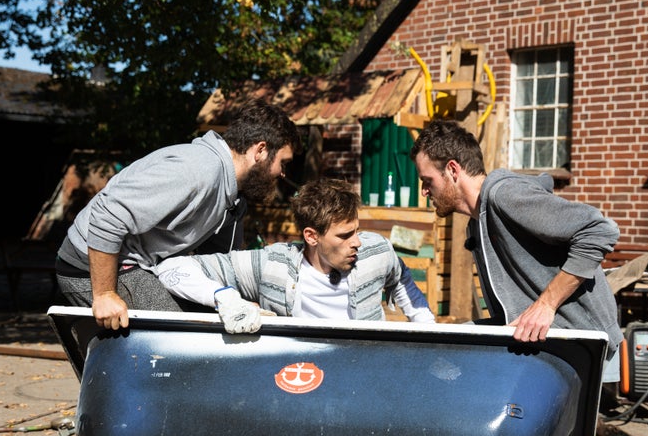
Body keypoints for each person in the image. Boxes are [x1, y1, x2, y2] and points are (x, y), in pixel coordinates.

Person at [55, 100, 300, 330]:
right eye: (284, 163)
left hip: (138, 264)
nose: (282, 173)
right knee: (186, 338)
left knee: (220, 322)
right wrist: (105, 294)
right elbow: (107, 215)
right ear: (260, 150)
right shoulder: (198, 170)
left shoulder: (230, 196)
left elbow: (217, 262)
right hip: (93, 267)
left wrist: (241, 300)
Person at [409, 119, 623, 382]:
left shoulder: (504, 195)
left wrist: (546, 305)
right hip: (538, 341)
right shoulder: (478, 223)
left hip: (579, 342)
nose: (424, 190)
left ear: (453, 169)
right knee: (446, 352)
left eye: (427, 180)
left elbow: (599, 230)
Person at [153, 178, 435, 333]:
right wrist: (224, 297)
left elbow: (400, 279)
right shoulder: (274, 266)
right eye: (344, 235)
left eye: (357, 231)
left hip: (364, 372)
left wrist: (426, 327)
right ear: (312, 236)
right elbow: (172, 268)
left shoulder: (376, 251)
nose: (357, 242)